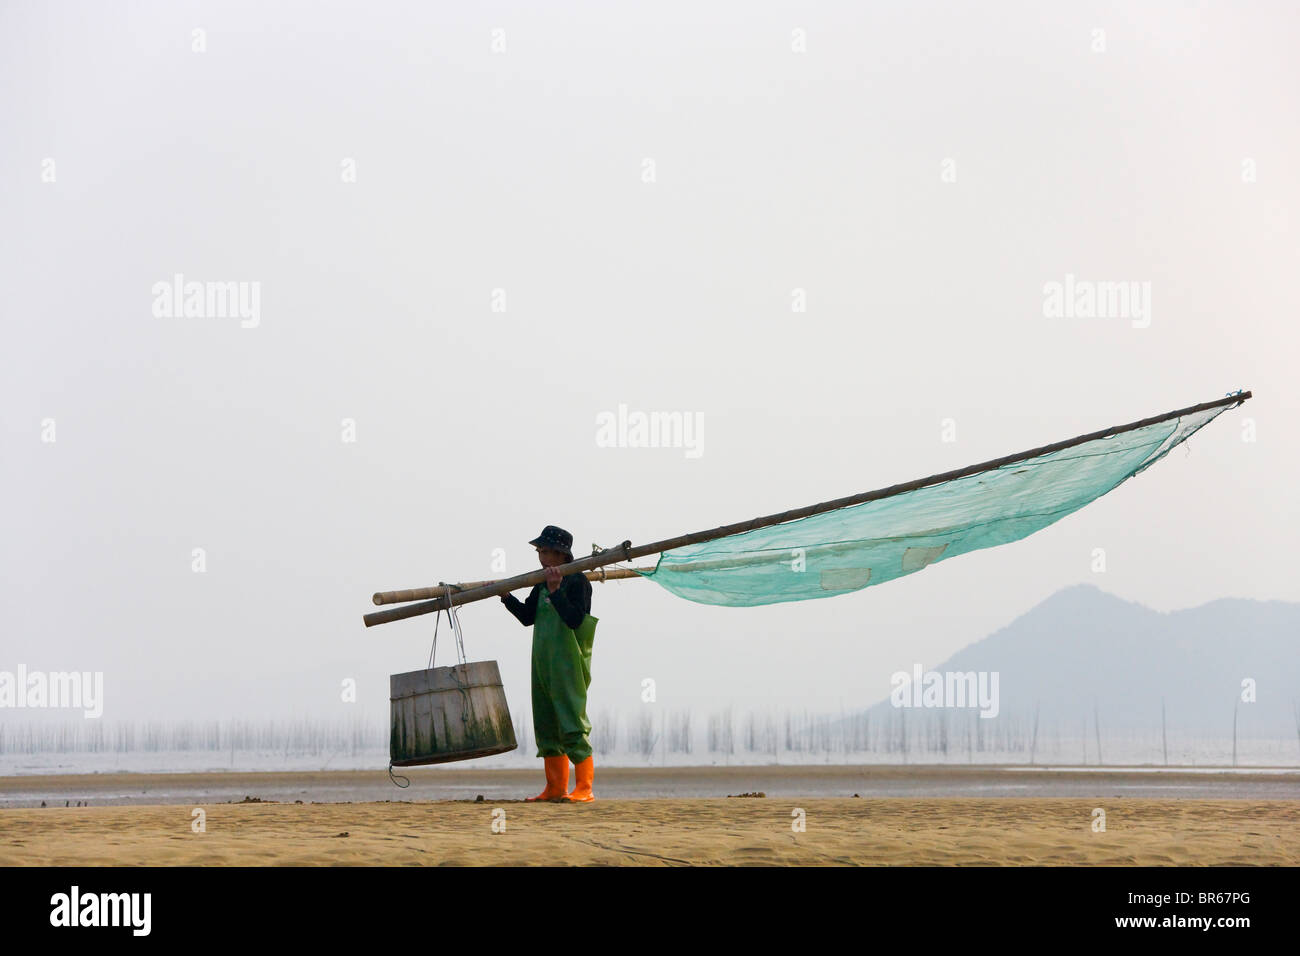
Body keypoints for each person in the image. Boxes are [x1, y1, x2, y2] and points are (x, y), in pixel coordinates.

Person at [500, 525, 598, 802]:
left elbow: (575, 620)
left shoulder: (578, 581)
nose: (542, 558)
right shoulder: (541, 582)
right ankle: (555, 787)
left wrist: (556, 592)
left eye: (546, 552)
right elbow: (527, 617)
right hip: (542, 661)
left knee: (571, 721)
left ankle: (585, 788)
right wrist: (507, 598)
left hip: (569, 664)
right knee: (546, 723)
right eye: (539, 552)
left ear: (561, 554)